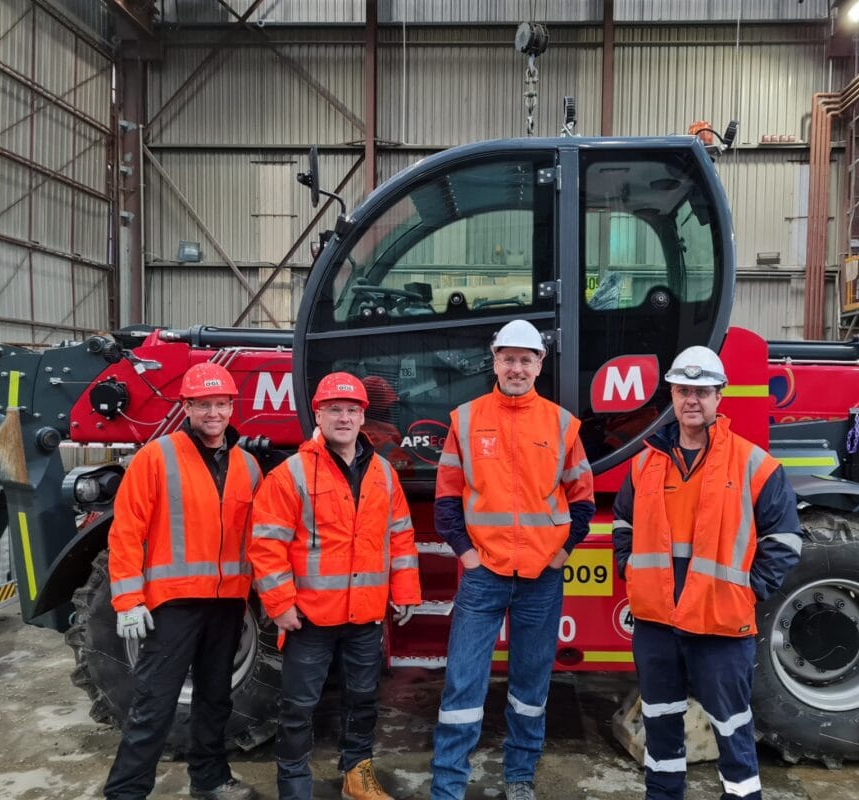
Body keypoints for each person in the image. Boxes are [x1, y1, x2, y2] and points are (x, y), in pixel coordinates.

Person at [611, 346, 803, 800]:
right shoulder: (645, 462)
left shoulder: (752, 464)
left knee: (732, 727)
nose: (691, 399)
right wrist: (631, 570)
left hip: (720, 622)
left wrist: (750, 588)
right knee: (660, 727)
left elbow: (785, 538)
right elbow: (623, 523)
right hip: (657, 623)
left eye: (701, 390)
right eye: (682, 390)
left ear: (720, 396)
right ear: (672, 397)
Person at [430, 319, 596, 800]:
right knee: (462, 684)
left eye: (527, 359)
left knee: (531, 683)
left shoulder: (562, 425)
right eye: (509, 358)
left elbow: (582, 500)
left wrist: (561, 554)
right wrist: (469, 557)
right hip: (484, 576)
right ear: (495, 360)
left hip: (541, 577)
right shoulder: (464, 420)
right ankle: (448, 785)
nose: (517, 367)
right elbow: (446, 501)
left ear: (540, 365)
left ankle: (519, 777)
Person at [249, 371, 421, 800]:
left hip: (365, 615)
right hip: (308, 618)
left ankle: (356, 777)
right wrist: (280, 604)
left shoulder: (383, 472)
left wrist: (405, 592)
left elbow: (399, 536)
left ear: (364, 418)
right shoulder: (292, 474)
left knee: (363, 701)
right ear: (318, 415)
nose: (344, 418)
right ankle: (293, 785)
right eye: (334, 410)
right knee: (298, 708)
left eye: (352, 411)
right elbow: (267, 545)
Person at [104, 362, 261, 800]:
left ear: (232, 407)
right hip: (172, 605)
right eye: (204, 404)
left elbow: (258, 539)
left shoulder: (248, 466)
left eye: (221, 404)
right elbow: (126, 531)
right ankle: (125, 792)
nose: (214, 412)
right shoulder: (157, 457)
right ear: (187, 407)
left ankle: (210, 780)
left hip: (228, 603)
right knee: (154, 704)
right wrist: (128, 600)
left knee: (215, 700)